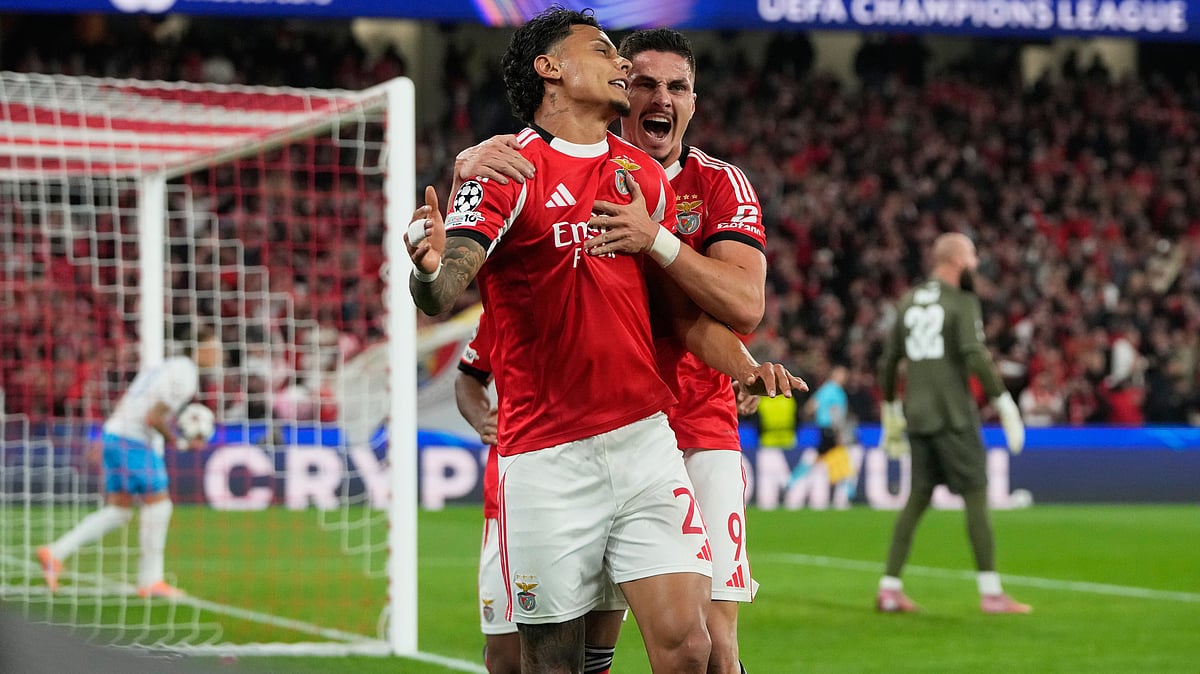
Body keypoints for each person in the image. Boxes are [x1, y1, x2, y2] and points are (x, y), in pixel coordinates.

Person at [407, 9, 804, 673]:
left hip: (651, 436)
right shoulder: (504, 168)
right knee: (545, 661)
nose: (626, 71)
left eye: (676, 87)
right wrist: (426, 266)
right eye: (610, 56)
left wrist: (742, 364)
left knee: (695, 646)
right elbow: (444, 289)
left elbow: (694, 316)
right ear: (551, 69)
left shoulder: (645, 179)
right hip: (547, 454)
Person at [456, 312, 624, 674]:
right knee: (505, 658)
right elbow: (468, 378)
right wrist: (480, 418)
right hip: (513, 497)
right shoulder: (503, 305)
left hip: (596, 487)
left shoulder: (603, 297)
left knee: (586, 656)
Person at [876, 233, 1031, 615]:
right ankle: (992, 593)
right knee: (976, 493)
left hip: (918, 415)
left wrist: (892, 412)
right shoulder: (961, 301)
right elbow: (974, 354)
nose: (977, 265)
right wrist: (1004, 402)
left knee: (917, 499)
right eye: (973, 256)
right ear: (957, 260)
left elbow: (888, 361)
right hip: (953, 415)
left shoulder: (909, 299)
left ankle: (889, 589)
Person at [38, 326, 220, 598]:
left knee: (119, 510)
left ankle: (55, 553)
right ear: (200, 349)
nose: (218, 355)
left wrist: (107, 437)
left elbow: (134, 402)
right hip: (133, 441)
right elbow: (153, 418)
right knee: (159, 504)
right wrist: (180, 443)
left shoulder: (167, 366)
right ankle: (151, 580)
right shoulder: (186, 375)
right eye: (214, 348)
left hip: (115, 434)